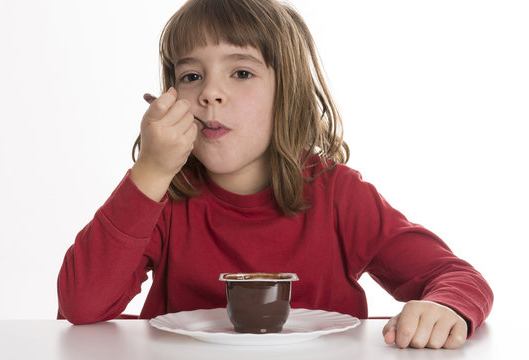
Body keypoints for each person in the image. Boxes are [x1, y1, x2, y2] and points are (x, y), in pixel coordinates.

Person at [57, 0, 493, 349]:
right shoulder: (165, 196)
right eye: (191, 76)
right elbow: (81, 304)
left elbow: (458, 279)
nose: (210, 93)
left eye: (241, 72)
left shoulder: (340, 195)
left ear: (287, 93)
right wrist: (150, 171)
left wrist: (444, 309)